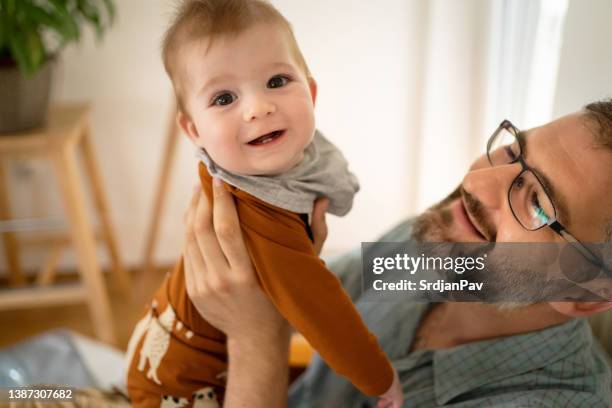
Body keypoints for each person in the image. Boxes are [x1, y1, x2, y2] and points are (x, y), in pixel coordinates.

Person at [182, 100, 612, 407]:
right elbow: (329, 291)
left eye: (537, 204)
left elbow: (264, 330)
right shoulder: (435, 248)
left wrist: (256, 343)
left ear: (587, 294)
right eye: (512, 151)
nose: (476, 185)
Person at [126, 1, 402, 407]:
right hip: (179, 385)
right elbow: (320, 307)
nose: (258, 108)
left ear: (310, 92)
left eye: (276, 81)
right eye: (223, 98)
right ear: (194, 131)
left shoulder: (271, 170)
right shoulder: (259, 208)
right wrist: (379, 376)